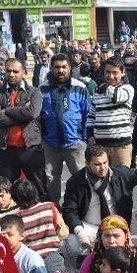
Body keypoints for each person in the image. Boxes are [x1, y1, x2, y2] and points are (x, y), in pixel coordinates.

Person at [61, 145, 137, 258]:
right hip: (91, 228)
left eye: (105, 162)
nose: (102, 167)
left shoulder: (122, 174)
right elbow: (69, 210)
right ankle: (89, 254)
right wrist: (80, 232)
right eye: (97, 164)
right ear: (87, 164)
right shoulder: (75, 182)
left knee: (119, 255)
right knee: (72, 240)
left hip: (116, 225)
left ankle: (105, 250)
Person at [0, 58, 48, 201]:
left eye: (16, 71)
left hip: (30, 148)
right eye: (8, 71)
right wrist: (22, 114)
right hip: (6, 150)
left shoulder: (34, 92)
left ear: (23, 72)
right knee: (6, 189)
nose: (12, 74)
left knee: (39, 187)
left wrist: (6, 110)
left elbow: (32, 113)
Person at [40, 53, 91, 204]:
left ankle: (82, 207)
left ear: (70, 68)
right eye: (57, 67)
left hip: (75, 143)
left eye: (64, 67)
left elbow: (87, 114)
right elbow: (37, 116)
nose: (60, 70)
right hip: (50, 144)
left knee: (81, 178)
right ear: (51, 68)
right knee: (51, 179)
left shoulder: (80, 87)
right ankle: (55, 210)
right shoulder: (42, 88)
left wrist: (83, 140)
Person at [86, 57, 135, 167]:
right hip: (100, 146)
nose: (111, 76)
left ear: (123, 73)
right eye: (107, 72)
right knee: (102, 180)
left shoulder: (127, 89)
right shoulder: (98, 93)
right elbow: (91, 116)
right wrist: (90, 136)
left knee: (121, 179)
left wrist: (103, 85)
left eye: (115, 72)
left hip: (121, 146)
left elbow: (115, 96)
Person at [11, 179, 67, 273]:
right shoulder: (49, 206)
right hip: (52, 254)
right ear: (34, 192)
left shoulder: (16, 217)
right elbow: (60, 228)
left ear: (15, 198)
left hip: (30, 258)